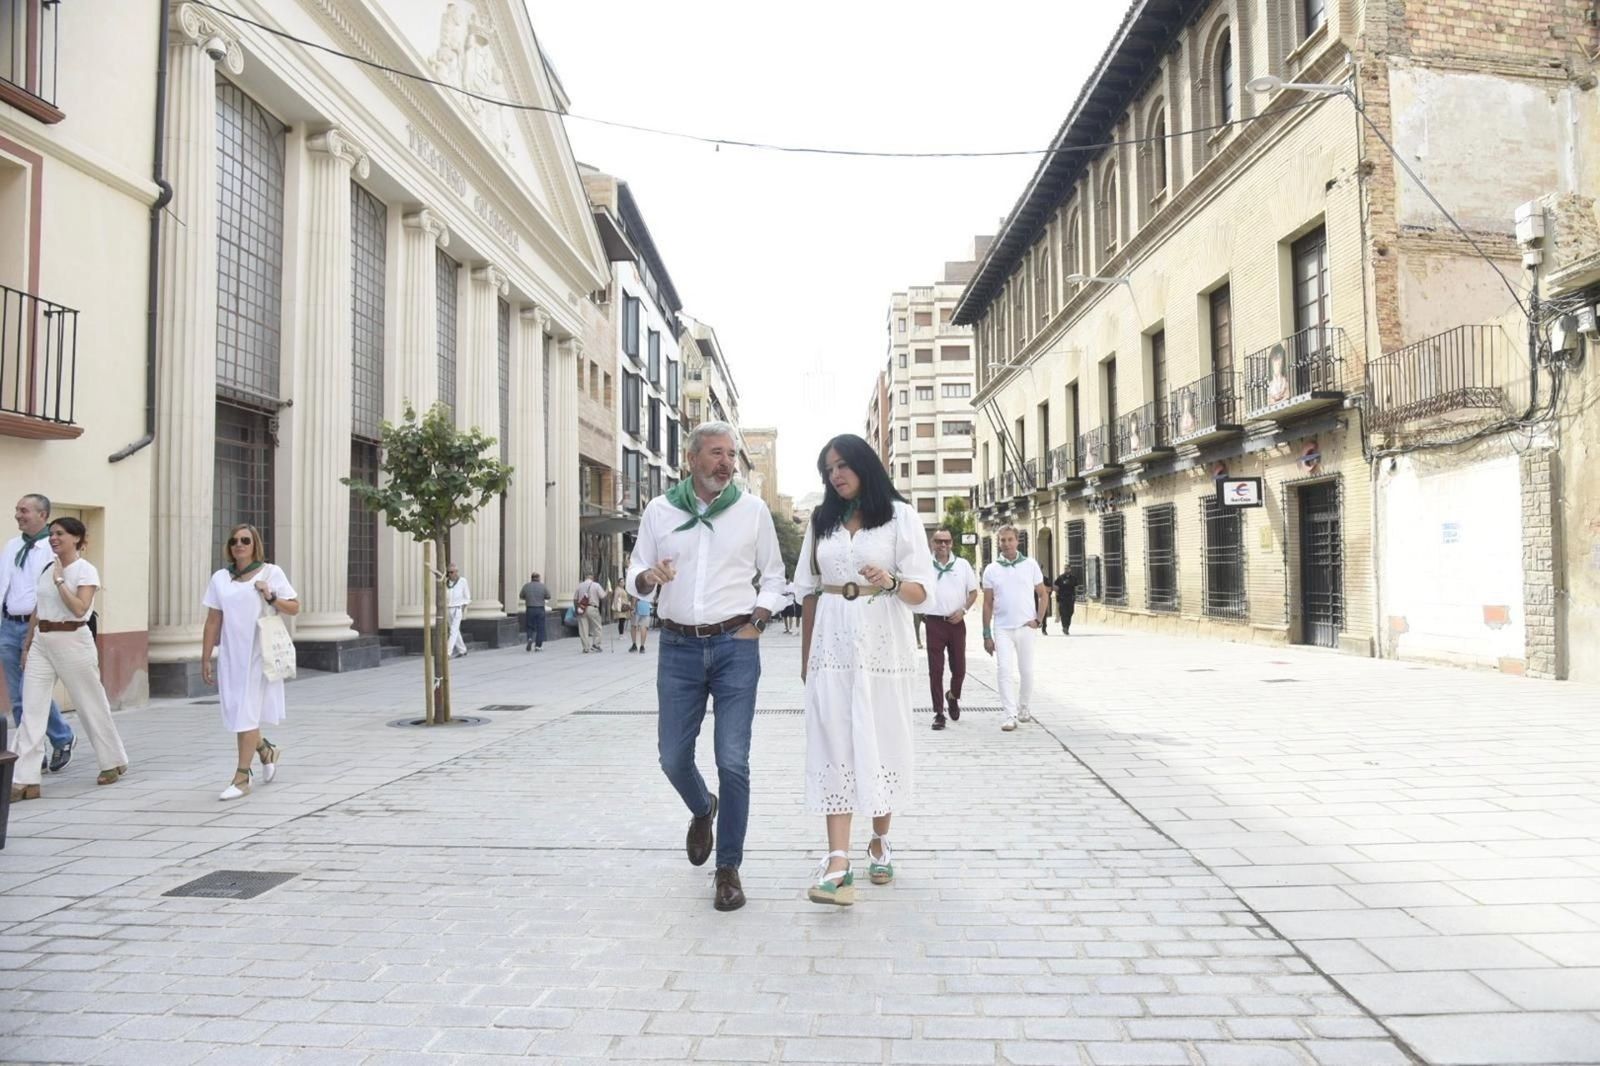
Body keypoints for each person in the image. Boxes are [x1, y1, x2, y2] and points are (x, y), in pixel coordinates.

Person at [626, 421, 785, 912]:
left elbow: (775, 577)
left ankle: (729, 869)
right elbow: (634, 574)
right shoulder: (659, 510)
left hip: (736, 646)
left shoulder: (752, 510)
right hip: (677, 648)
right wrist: (648, 578)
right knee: (672, 757)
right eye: (717, 453)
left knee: (732, 761)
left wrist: (758, 619)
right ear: (691, 458)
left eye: (731, 454)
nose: (727, 463)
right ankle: (703, 807)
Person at [795, 434, 933, 906]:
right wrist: (806, 658)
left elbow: (922, 592)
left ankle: (879, 841)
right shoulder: (821, 519)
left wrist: (893, 581)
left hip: (883, 644)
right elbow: (810, 589)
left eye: (842, 465)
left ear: (864, 466)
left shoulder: (901, 517)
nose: (835, 475)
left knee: (881, 738)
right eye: (828, 469)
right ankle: (838, 860)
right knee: (833, 741)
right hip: (831, 644)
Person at [10, 518, 128, 801]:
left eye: (59, 534)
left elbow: (79, 609)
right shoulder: (47, 567)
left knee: (90, 704)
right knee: (32, 709)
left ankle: (112, 761)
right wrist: (27, 645)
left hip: (73, 640)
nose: (53, 538)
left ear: (76, 538)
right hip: (42, 641)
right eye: (51, 534)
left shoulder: (85, 570)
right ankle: (25, 779)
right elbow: (39, 608)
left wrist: (61, 581)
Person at [200, 524, 299, 801]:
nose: (239, 545)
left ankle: (242, 776)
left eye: (245, 540)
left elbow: (294, 607)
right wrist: (206, 656)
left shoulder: (271, 572)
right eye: (234, 541)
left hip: (260, 652)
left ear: (255, 544)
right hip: (232, 654)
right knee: (238, 711)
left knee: (245, 710)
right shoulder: (221, 578)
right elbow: (213, 621)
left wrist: (270, 595)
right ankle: (266, 751)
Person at [1, 493, 76, 774]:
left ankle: (61, 738)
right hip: (8, 624)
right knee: (18, 696)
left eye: (24, 510)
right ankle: (29, 750)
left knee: (31, 691)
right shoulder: (11, 546)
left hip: (37, 626)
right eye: (17, 510)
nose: (18, 515)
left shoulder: (53, 546)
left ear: (42, 515)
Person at [982, 524, 1047, 733]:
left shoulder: (1030, 565)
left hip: (1025, 627)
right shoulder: (991, 569)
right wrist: (986, 634)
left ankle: (1024, 707)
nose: (1007, 544)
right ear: (998, 543)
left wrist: (1038, 620)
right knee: (1004, 671)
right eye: (1003, 540)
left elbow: (1043, 594)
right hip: (1002, 628)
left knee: (1026, 671)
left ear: (1017, 541)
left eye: (1010, 539)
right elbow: (988, 603)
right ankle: (1009, 714)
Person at [918, 528, 978, 731]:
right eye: (938, 541)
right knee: (935, 670)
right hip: (934, 622)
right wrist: (922, 611)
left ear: (952, 543)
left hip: (956, 623)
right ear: (932, 543)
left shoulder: (961, 565)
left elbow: (972, 592)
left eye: (946, 541)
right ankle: (938, 713)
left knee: (959, 668)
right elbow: (917, 589)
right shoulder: (925, 566)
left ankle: (952, 696)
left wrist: (963, 611)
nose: (942, 545)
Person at [574, 572, 605, 653]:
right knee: (597, 627)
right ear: (592, 577)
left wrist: (576, 609)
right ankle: (596, 645)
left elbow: (575, 599)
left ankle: (585, 647)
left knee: (583, 629)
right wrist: (608, 592)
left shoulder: (579, 585)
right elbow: (603, 596)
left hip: (582, 608)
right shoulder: (596, 585)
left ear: (585, 577)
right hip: (592, 607)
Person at [445, 563, 470, 658]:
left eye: (455, 571)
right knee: (454, 630)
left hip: (458, 608)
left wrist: (463, 606)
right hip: (448, 609)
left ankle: (448, 652)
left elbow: (467, 596)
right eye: (451, 572)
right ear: (448, 573)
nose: (454, 574)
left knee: (453, 631)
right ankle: (462, 649)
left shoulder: (462, 581)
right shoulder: (446, 582)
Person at [520, 571, 549, 652]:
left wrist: (528, 598)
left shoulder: (526, 586)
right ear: (538, 578)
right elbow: (548, 596)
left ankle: (529, 638)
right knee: (540, 627)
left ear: (531, 578)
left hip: (530, 608)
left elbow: (521, 596)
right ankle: (538, 646)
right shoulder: (543, 586)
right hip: (540, 609)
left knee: (529, 625)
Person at [1053, 566, 1078, 635]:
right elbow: (1055, 585)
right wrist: (1057, 592)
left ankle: (1067, 626)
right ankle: (1065, 627)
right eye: (1065, 568)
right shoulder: (1060, 578)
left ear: (1070, 569)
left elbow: (1076, 587)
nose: (1066, 570)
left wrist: (1075, 596)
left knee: (1070, 612)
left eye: (1067, 568)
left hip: (1070, 598)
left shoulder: (1073, 578)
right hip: (1062, 598)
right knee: (1063, 613)